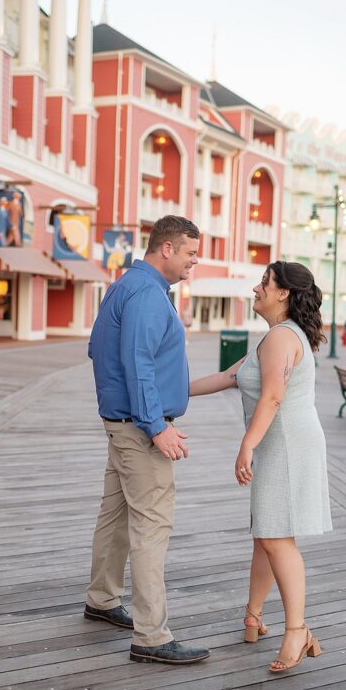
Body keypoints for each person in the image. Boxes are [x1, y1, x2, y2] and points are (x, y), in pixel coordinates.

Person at [190, 260, 331, 673]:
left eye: (263, 283)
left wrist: (246, 445)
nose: (256, 288)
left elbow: (272, 397)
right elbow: (227, 377)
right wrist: (165, 400)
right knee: (265, 534)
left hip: (285, 444)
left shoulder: (282, 338)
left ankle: (298, 631)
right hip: (280, 442)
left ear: (283, 292)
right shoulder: (274, 338)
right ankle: (253, 614)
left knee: (277, 538)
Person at [85, 216, 210, 665]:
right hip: (139, 429)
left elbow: (99, 349)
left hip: (122, 424)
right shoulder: (147, 294)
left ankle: (101, 599)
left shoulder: (127, 286)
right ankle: (151, 636)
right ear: (167, 249)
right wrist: (157, 426)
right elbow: (138, 362)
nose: (195, 260)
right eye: (191, 252)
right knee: (152, 525)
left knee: (115, 514)